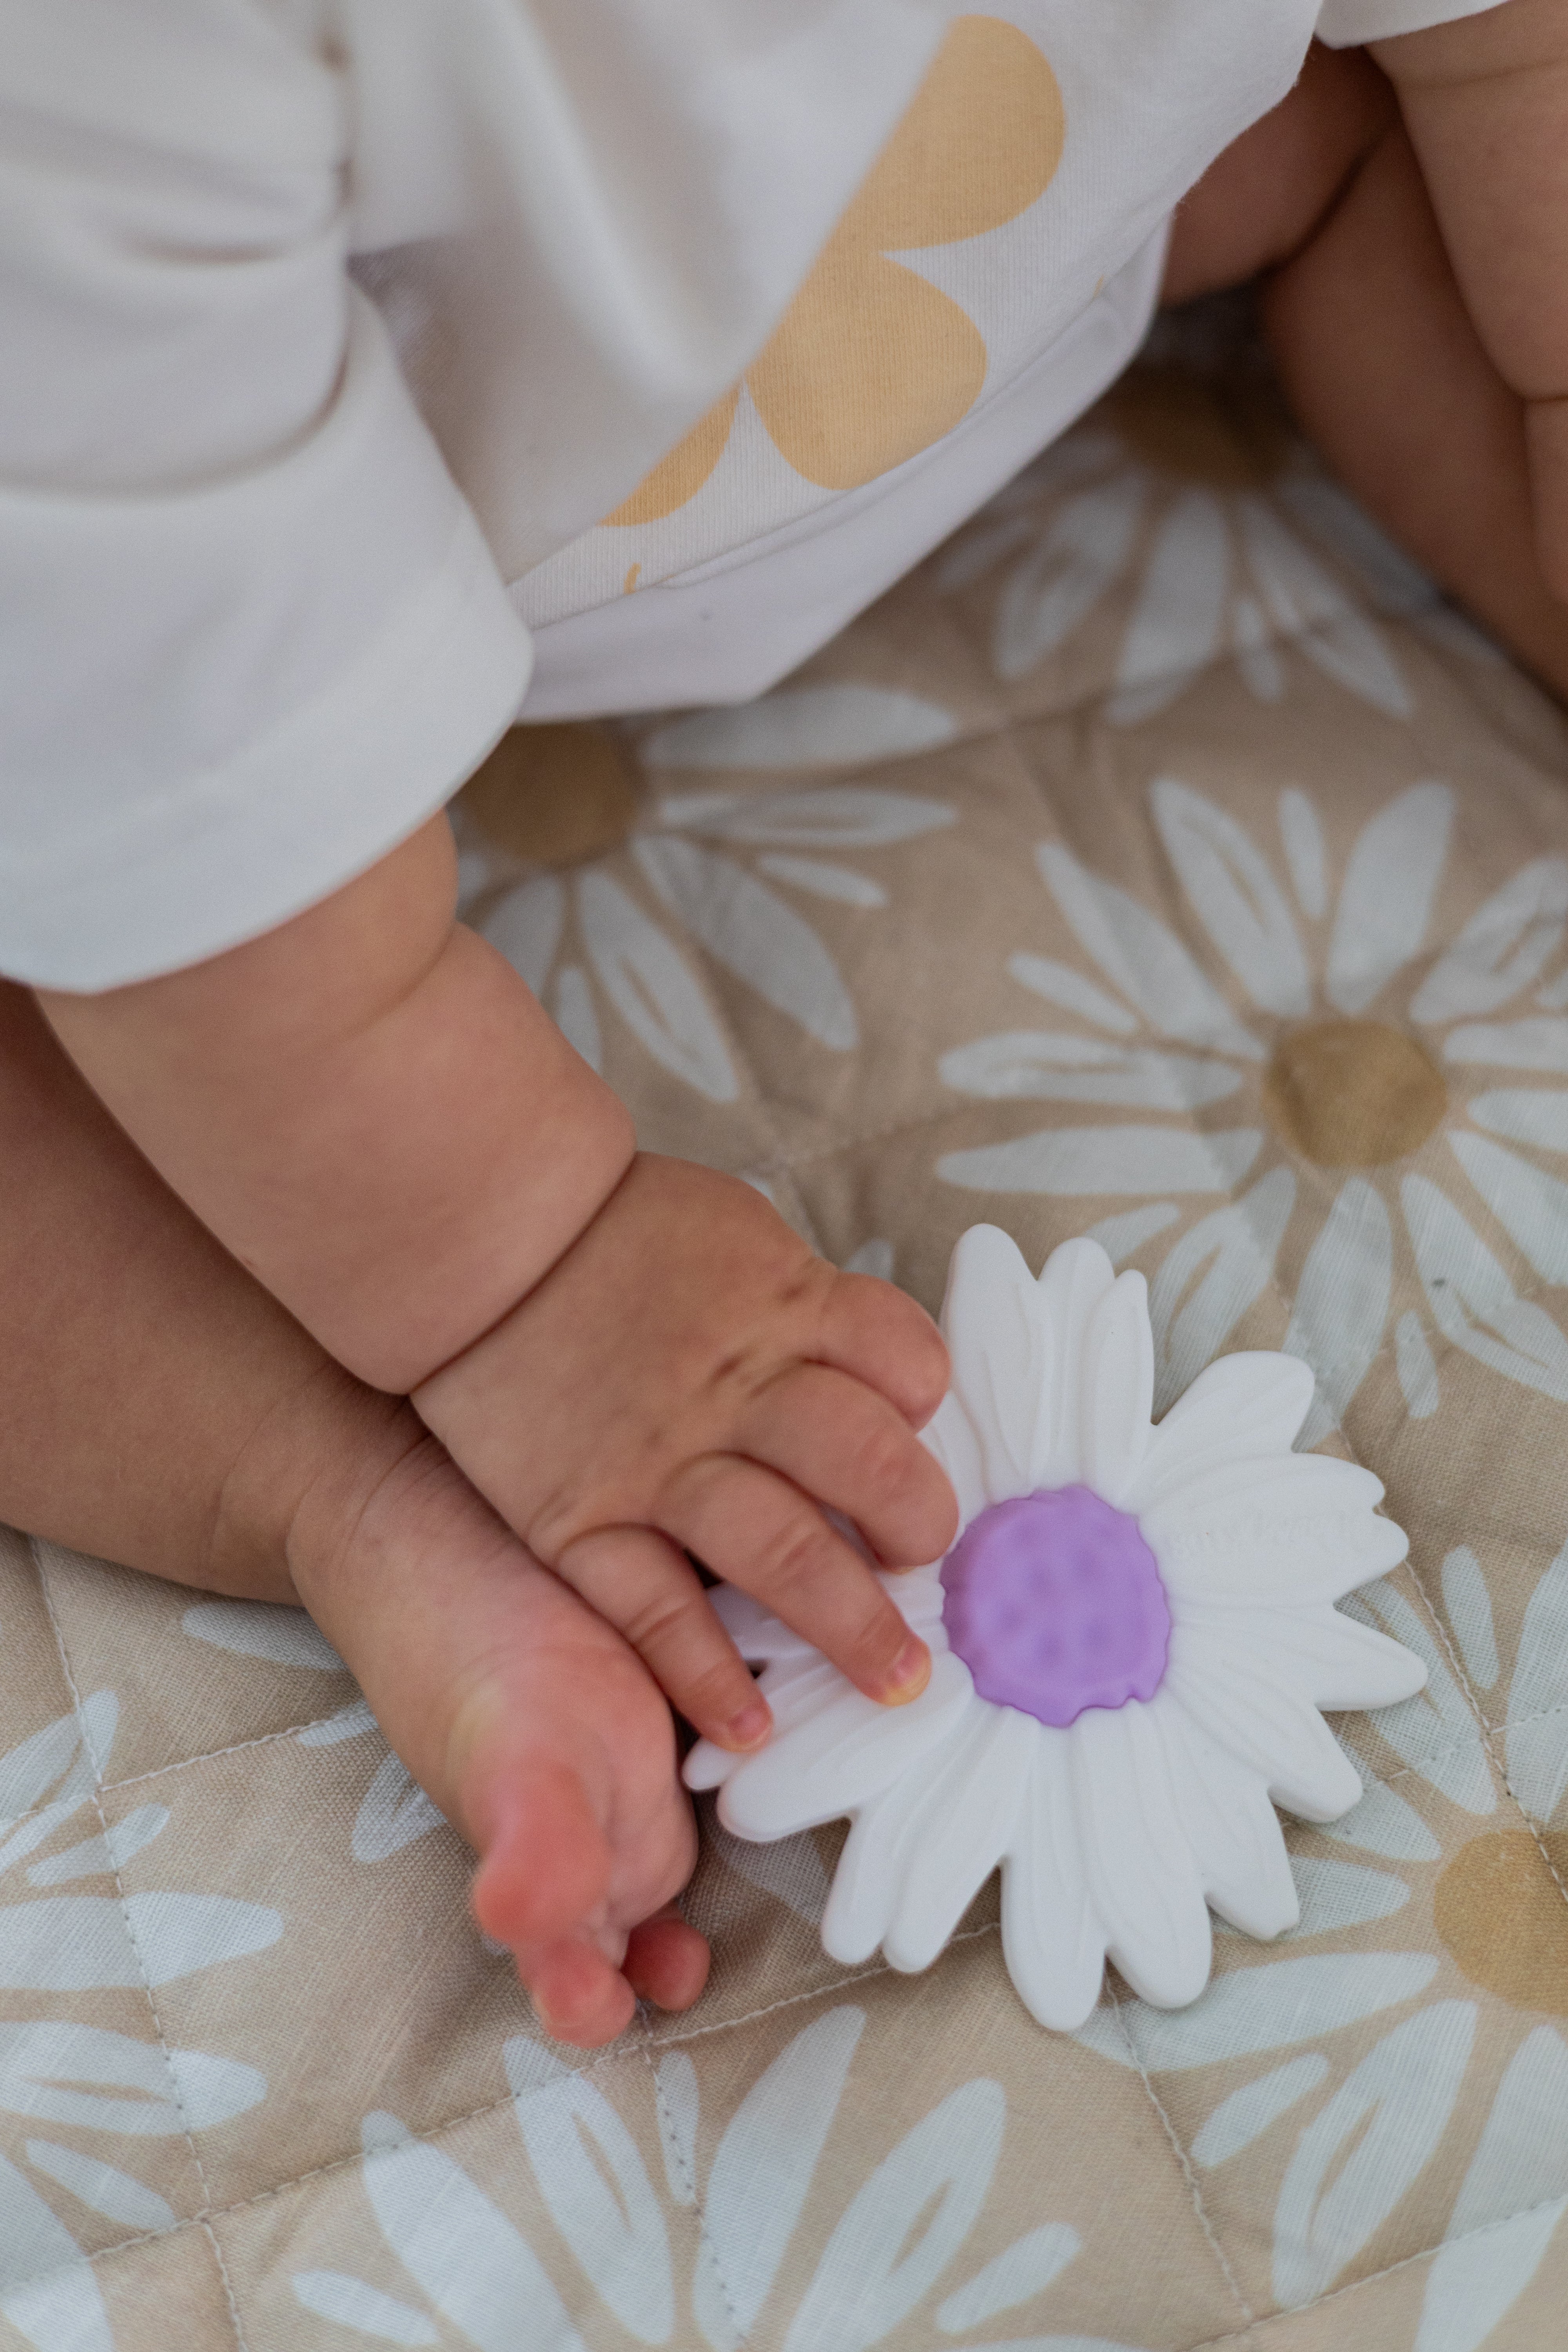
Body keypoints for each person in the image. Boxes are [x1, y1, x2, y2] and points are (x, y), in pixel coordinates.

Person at [2, 0, 1563, 2049]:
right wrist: (521, 1283)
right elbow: (139, 676)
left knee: (1380, 155)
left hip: (960, 235)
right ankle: (361, 1494)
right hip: (106, 588)